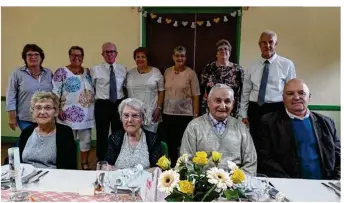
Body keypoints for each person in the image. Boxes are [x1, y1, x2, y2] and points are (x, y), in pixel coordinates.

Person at [257, 79, 340, 180]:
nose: (296, 97)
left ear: (309, 97)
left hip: (325, 184)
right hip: (286, 186)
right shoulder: (268, 122)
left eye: (301, 93)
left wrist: (335, 180)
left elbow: (339, 156)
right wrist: (290, 183)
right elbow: (264, 159)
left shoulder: (327, 123)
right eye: (290, 94)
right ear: (283, 98)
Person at [180, 84, 257, 175]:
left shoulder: (241, 128)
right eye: (218, 101)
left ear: (233, 104)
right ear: (208, 102)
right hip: (203, 185)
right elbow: (186, 162)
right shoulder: (194, 127)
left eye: (227, 101)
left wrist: (236, 183)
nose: (223, 106)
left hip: (235, 186)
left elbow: (251, 164)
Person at [240, 30, 296, 144]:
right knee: (255, 141)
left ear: (276, 44)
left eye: (271, 42)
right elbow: (245, 92)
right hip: (255, 108)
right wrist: (243, 114)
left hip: (276, 108)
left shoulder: (287, 64)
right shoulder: (252, 66)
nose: (267, 45)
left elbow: (291, 91)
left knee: (276, 141)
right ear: (259, 45)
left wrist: (291, 112)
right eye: (264, 42)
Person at [52, 46, 95, 170]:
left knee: (85, 141)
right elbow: (55, 92)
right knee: (66, 141)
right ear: (69, 56)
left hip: (86, 114)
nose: (76, 58)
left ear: (83, 57)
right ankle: (68, 164)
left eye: (79, 55)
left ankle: (84, 163)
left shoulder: (88, 72)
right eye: (73, 55)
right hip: (66, 114)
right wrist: (58, 109)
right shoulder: (61, 72)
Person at [18, 91, 77, 169]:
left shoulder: (65, 133)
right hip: (26, 177)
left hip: (53, 178)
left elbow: (68, 166)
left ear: (56, 112)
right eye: (38, 107)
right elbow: (15, 160)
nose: (42, 112)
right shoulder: (27, 132)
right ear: (33, 112)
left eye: (48, 108)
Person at [163, 46, 200, 166]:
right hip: (168, 114)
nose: (180, 58)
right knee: (170, 144)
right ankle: (172, 168)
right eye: (177, 56)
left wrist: (195, 116)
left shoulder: (191, 73)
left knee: (184, 144)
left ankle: (184, 168)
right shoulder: (167, 71)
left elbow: (196, 95)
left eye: (182, 56)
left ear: (185, 57)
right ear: (173, 57)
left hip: (185, 115)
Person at [90, 42, 127, 162]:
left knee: (118, 132)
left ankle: (117, 156)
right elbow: (92, 88)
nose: (110, 54)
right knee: (102, 133)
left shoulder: (123, 69)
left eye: (112, 51)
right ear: (102, 54)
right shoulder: (95, 70)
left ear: (116, 53)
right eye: (107, 52)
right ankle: (101, 158)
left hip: (118, 104)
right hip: (102, 104)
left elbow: (124, 87)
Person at [105, 98, 163, 170]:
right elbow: (108, 166)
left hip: (145, 180)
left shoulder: (153, 139)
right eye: (126, 115)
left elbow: (158, 168)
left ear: (142, 119)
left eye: (135, 116)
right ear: (121, 118)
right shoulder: (114, 138)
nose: (130, 120)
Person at [6, 44, 53, 132]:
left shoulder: (48, 73)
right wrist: (11, 118)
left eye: (36, 54)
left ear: (41, 57)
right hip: (26, 117)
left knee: (43, 141)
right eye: (29, 55)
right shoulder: (17, 73)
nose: (33, 57)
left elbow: (54, 94)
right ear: (25, 58)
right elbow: (10, 96)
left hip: (46, 116)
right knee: (29, 140)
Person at [200, 39, 244, 118]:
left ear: (229, 53)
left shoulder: (238, 70)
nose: (223, 51)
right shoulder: (208, 68)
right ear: (216, 54)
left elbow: (243, 91)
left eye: (226, 49)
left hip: (230, 109)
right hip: (211, 109)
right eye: (220, 49)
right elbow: (203, 89)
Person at [126, 47, 164, 133]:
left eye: (143, 57)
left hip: (151, 113)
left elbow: (161, 91)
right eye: (137, 57)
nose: (140, 59)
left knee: (150, 140)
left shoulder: (156, 72)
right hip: (133, 113)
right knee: (134, 140)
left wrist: (159, 108)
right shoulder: (130, 73)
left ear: (147, 58)